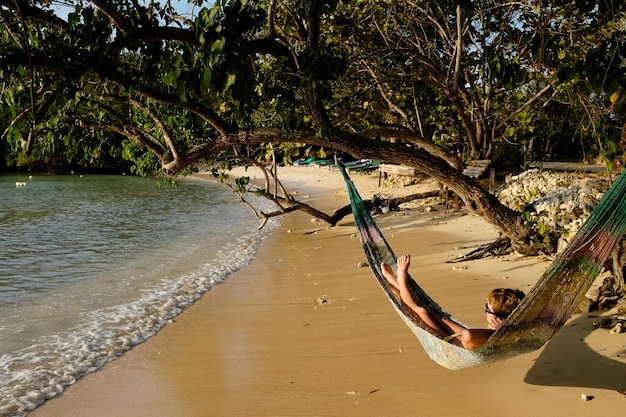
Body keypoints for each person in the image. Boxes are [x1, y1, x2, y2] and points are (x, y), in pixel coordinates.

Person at [381, 254, 525, 350]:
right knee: (429, 311)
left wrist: (502, 331)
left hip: (449, 347)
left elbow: (467, 336)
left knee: (421, 311)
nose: (485, 310)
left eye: (486, 308)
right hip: (457, 339)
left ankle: (401, 277)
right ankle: (397, 285)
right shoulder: (504, 330)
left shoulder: (495, 335)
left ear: (497, 317)